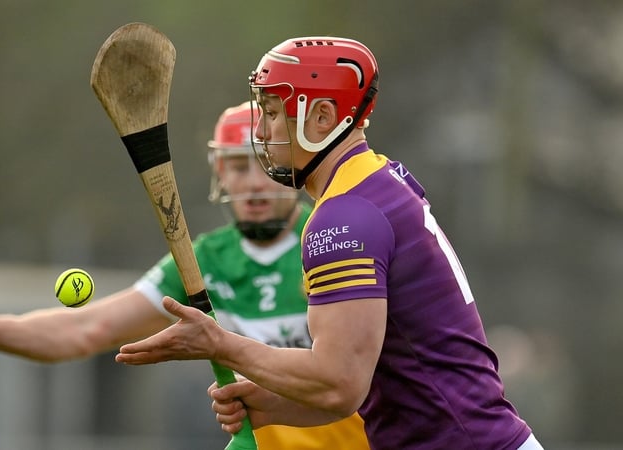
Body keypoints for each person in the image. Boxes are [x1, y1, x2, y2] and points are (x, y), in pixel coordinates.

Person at [115, 37, 545, 450]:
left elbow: (339, 380)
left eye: (271, 113)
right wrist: (275, 405)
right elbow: (361, 386)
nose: (261, 132)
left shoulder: (343, 219)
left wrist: (219, 344)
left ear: (321, 117)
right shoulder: (377, 181)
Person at [0, 101, 370, 450]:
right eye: (238, 167)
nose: (254, 184)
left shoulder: (335, 237)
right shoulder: (203, 263)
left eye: (263, 165)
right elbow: (87, 328)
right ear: (221, 174)